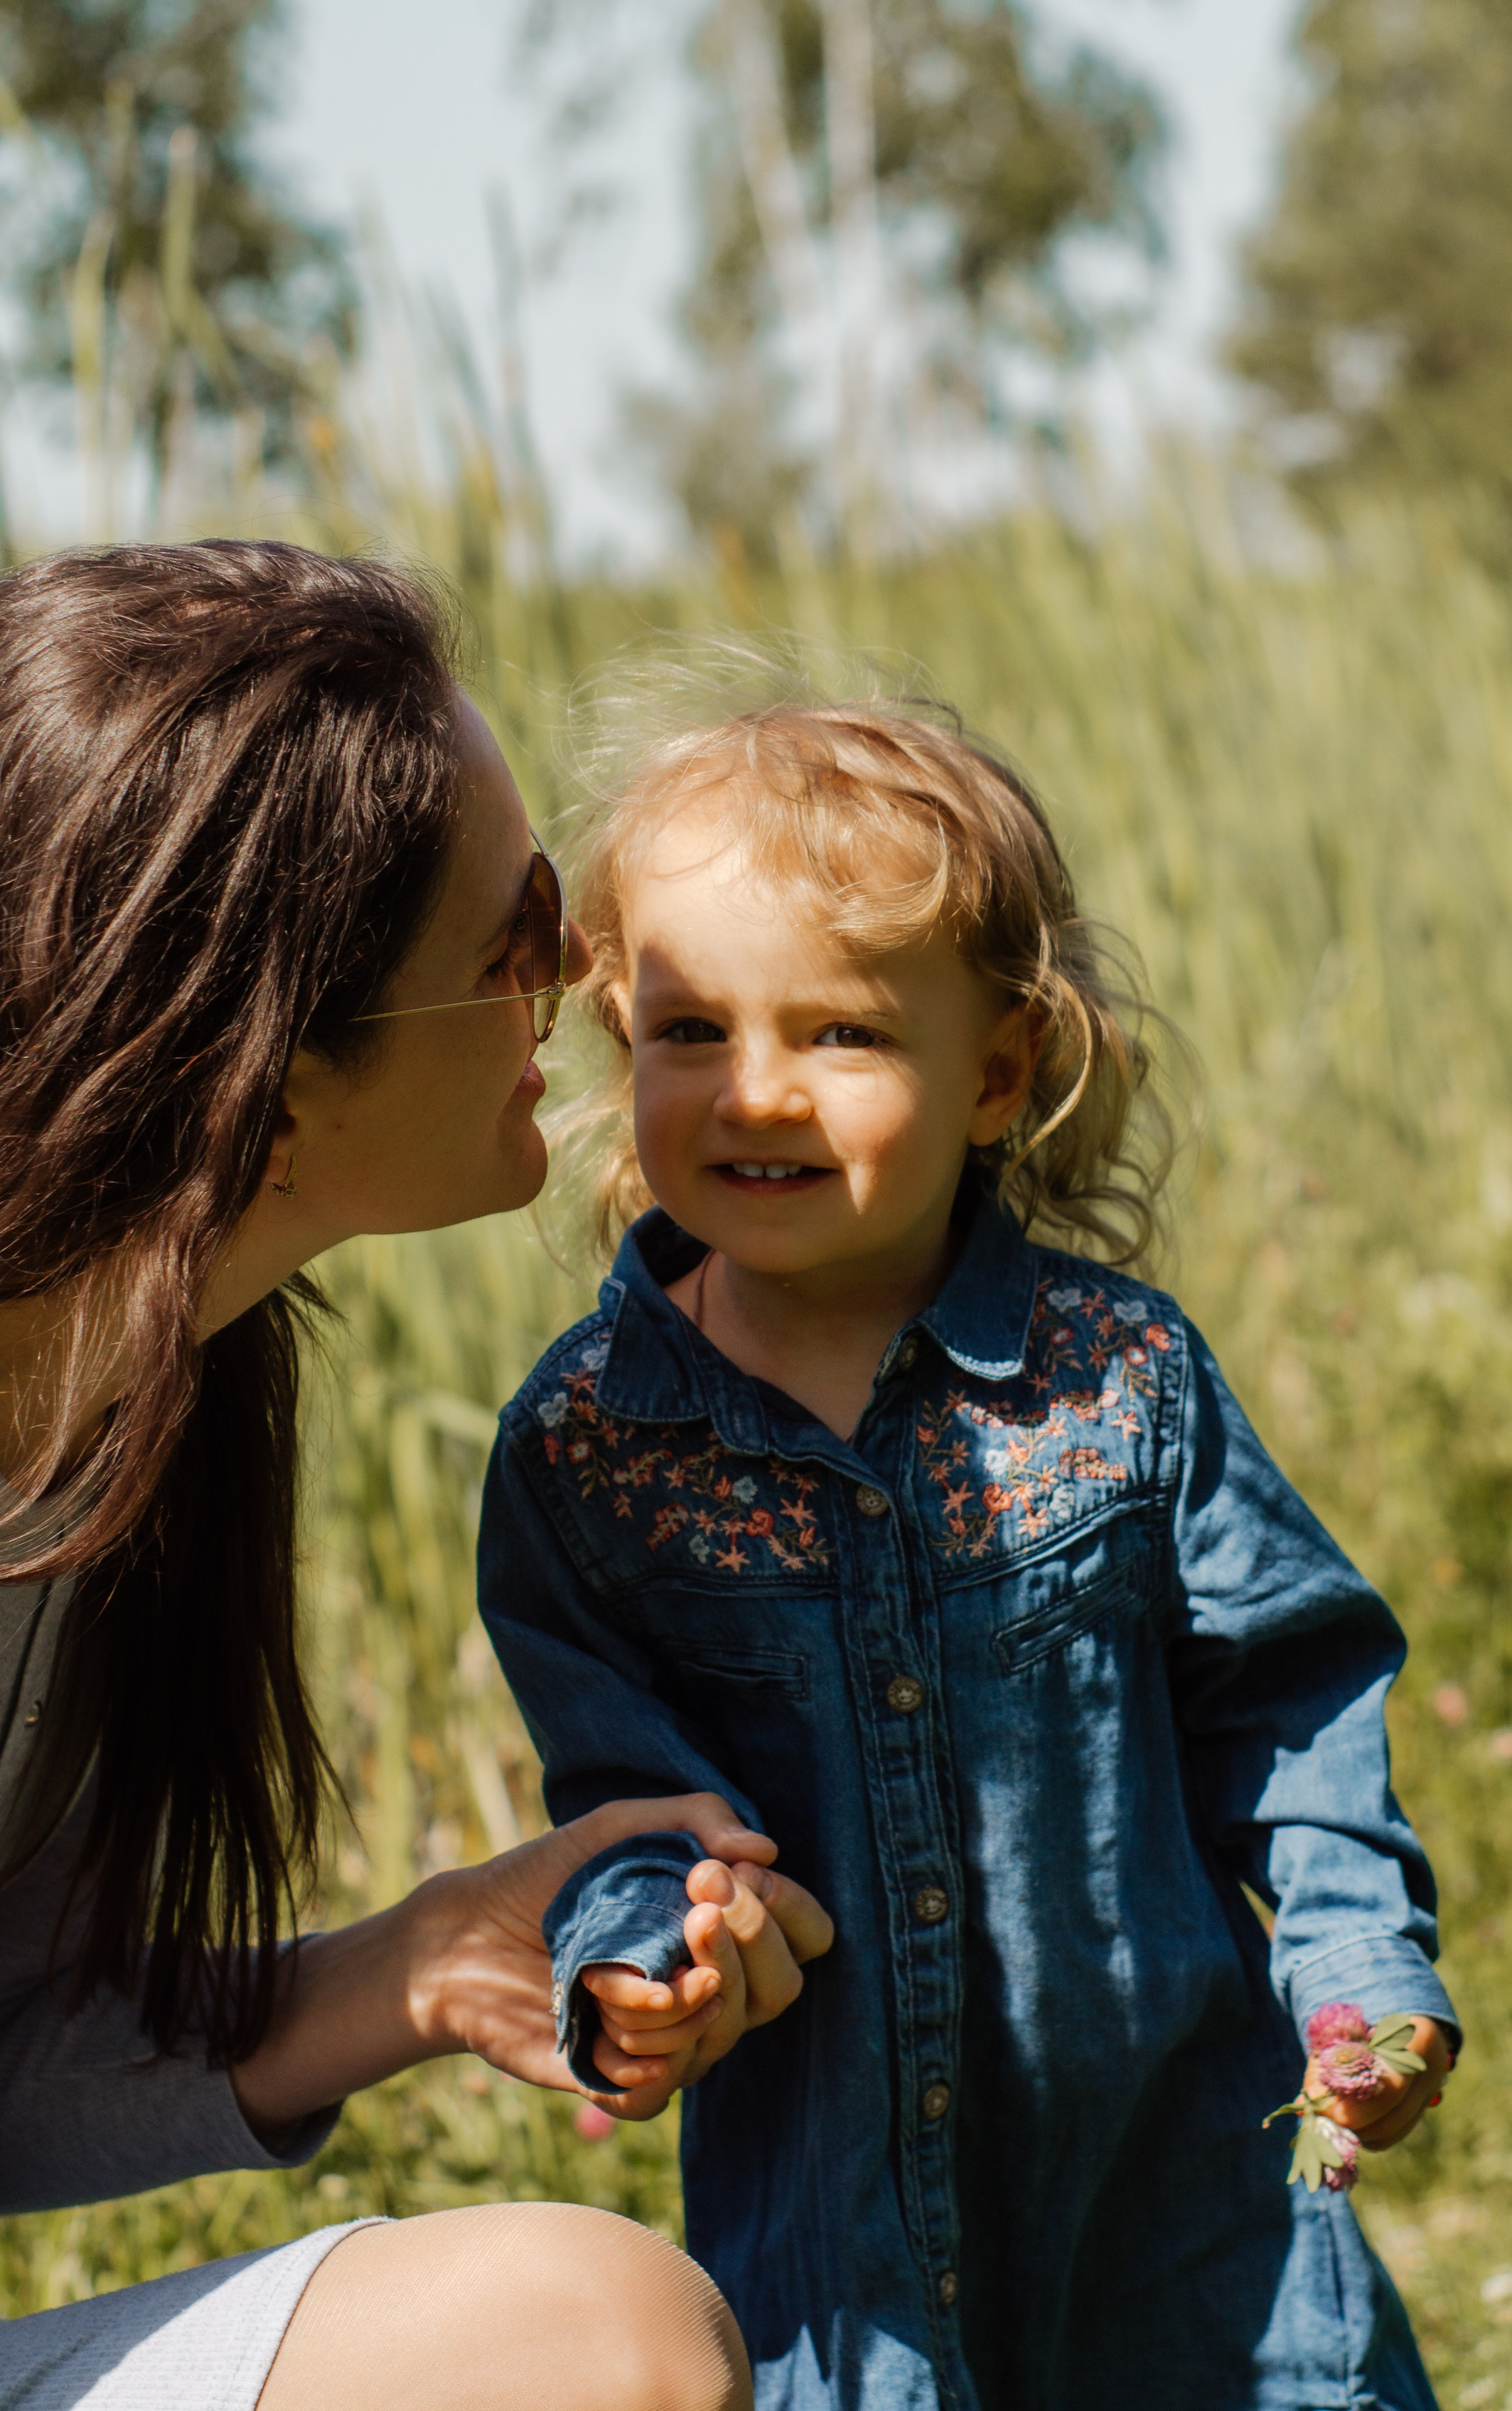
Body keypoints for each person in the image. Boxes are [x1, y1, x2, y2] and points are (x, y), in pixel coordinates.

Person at [0, 540, 834, 2411]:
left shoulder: (111, 1380)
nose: (580, 977)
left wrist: (430, 1963)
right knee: (586, 2338)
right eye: (514, 932)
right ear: (267, 1081)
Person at [477, 696, 1459, 2411]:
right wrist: (638, 1965)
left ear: (995, 1071)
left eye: (841, 1033)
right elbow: (623, 1801)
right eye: (688, 1027)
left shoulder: (1121, 1378)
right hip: (835, 2243)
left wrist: (1356, 1963)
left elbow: (1288, 1707)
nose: (752, 1090)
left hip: (1182, 2209)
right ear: (616, 1028)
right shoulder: (587, 1451)